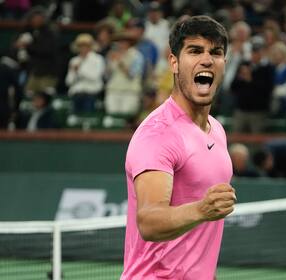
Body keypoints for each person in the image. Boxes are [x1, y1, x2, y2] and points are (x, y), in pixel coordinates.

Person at [121, 16, 236, 280]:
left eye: (215, 53)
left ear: (223, 64)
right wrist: (202, 209)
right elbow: (149, 222)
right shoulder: (158, 134)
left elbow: (200, 241)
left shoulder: (216, 130)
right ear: (174, 62)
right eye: (194, 51)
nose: (206, 59)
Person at [65, 34, 105, 114]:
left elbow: (95, 77)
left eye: (86, 46)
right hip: (76, 94)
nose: (83, 48)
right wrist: (74, 72)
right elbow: (68, 81)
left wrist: (79, 70)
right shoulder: (74, 60)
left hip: (91, 94)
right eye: (81, 46)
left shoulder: (98, 59)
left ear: (91, 47)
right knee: (75, 120)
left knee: (87, 120)